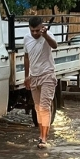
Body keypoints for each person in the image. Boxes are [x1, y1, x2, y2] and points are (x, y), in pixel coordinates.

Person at [23, 16, 58, 149]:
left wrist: (45, 36)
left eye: (37, 30)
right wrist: (27, 76)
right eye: (33, 31)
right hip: (34, 76)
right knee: (37, 108)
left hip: (47, 75)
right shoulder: (27, 38)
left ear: (42, 27)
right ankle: (40, 135)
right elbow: (26, 57)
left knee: (44, 107)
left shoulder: (47, 35)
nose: (35, 33)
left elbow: (54, 45)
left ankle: (44, 139)